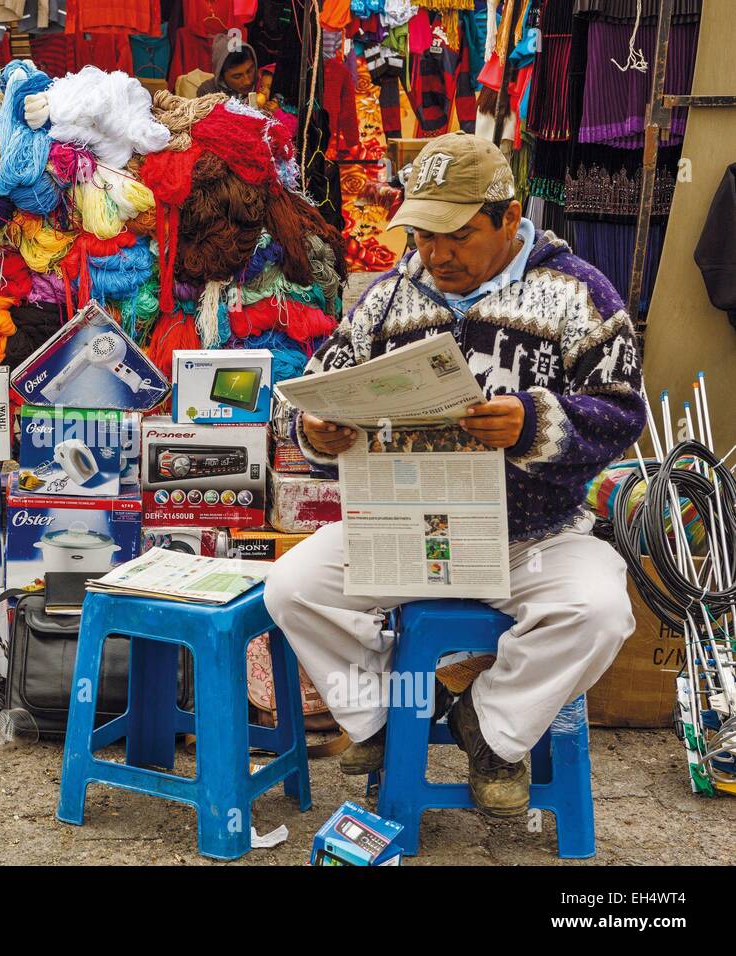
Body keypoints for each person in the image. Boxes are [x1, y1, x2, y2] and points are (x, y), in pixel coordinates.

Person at [263, 131, 645, 818]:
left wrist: (533, 421)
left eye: (458, 236)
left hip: (538, 534)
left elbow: (621, 415)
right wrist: (314, 430)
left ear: (507, 217)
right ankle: (384, 719)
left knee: (600, 611)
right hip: (407, 532)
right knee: (293, 587)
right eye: (423, 235)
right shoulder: (385, 300)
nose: (437, 255)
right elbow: (316, 388)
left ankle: (491, 727)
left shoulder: (576, 293)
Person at [196, 35, 259, 101]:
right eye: (237, 76)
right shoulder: (208, 93)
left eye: (250, 71)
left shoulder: (264, 83)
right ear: (221, 76)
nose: (248, 82)